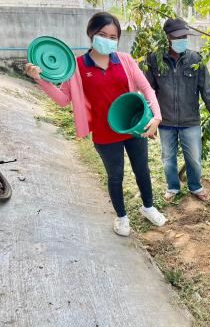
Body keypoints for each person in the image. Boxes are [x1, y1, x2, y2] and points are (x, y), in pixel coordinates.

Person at [25, 12, 166, 237]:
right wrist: (40, 79)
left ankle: (148, 207)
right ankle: (122, 218)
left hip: (133, 126)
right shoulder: (78, 66)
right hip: (104, 133)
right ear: (91, 34)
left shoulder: (126, 60)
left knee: (142, 169)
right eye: (102, 34)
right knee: (115, 176)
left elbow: (147, 89)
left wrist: (156, 117)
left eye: (113, 36)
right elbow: (63, 99)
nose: (108, 40)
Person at [144, 18, 210, 202]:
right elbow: (148, 92)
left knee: (194, 159)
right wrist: (150, 121)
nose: (182, 39)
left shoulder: (195, 60)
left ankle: (195, 187)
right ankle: (173, 187)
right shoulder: (154, 60)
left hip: (190, 121)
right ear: (168, 37)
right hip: (165, 121)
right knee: (168, 159)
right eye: (178, 36)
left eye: (184, 36)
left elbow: (208, 92)